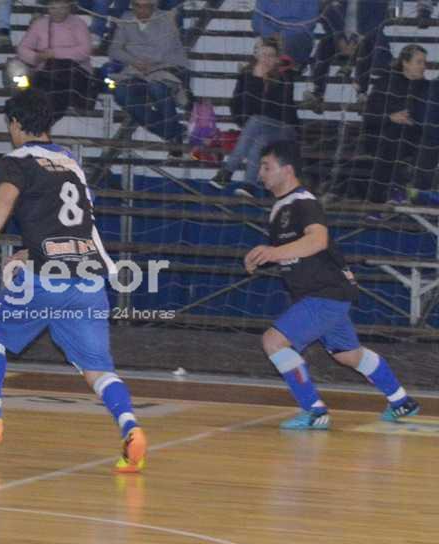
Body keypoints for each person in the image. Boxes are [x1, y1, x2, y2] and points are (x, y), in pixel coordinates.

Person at [0, 89, 147, 473]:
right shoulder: (70, 162)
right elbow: (74, 220)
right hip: (89, 277)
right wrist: (30, 251)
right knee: (97, 369)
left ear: (15, 124)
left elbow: (3, 202)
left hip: (47, 278)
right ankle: (131, 427)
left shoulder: (18, 160)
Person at [244, 140, 420, 430]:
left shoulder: (303, 202)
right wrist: (262, 258)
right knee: (348, 355)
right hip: (326, 293)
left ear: (287, 170)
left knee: (273, 342)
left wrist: (272, 253)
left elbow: (318, 240)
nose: (260, 172)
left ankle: (314, 411)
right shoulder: (280, 208)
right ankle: (401, 401)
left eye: (266, 166)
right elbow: (297, 252)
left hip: (324, 293)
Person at [210, 38, 298, 197]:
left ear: (277, 59)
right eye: (263, 55)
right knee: (259, 141)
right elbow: (237, 104)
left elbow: (274, 109)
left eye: (271, 55)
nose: (266, 59)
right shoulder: (246, 76)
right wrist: (254, 79)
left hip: (285, 128)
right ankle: (249, 185)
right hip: (259, 129)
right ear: (256, 56)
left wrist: (259, 81)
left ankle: (227, 171)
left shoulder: (285, 76)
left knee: (256, 121)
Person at [107, 0, 189, 143]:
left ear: (154, 5)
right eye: (137, 5)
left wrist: (135, 56)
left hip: (166, 68)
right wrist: (133, 61)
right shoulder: (126, 18)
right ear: (132, 5)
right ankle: (174, 132)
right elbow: (114, 50)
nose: (141, 10)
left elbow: (164, 51)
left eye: (146, 6)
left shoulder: (166, 18)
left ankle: (173, 134)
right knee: (119, 92)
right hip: (135, 70)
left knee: (157, 88)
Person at [362, 44, 430, 203]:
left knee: (402, 137)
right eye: (419, 62)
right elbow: (369, 117)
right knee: (393, 136)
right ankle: (390, 194)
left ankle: (386, 196)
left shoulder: (427, 87)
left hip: (414, 136)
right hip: (381, 134)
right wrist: (390, 117)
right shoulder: (385, 83)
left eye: (424, 62)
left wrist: (415, 121)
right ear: (405, 63)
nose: (424, 67)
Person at [16, 0, 95, 125]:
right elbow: (22, 49)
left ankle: (40, 127)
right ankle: (37, 126)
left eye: (62, 8)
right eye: (53, 8)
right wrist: (37, 57)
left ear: (69, 8)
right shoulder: (39, 24)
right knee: (35, 96)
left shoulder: (78, 24)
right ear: (48, 8)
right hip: (45, 73)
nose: (57, 12)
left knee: (53, 96)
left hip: (73, 74)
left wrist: (55, 53)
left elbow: (85, 51)